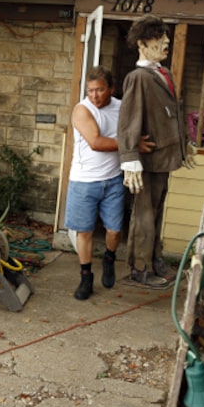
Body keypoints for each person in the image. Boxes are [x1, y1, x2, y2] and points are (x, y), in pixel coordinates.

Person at [118, 15, 195, 289]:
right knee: (143, 216)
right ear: (142, 43)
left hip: (163, 157)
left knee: (157, 212)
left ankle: (154, 258)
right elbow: (128, 120)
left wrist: (184, 143)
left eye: (165, 36)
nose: (166, 41)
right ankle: (140, 267)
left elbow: (172, 113)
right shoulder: (138, 78)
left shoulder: (164, 73)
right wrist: (129, 159)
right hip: (145, 162)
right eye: (158, 37)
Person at [64, 66, 126, 300]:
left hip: (113, 179)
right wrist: (132, 144)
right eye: (90, 90)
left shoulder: (121, 107)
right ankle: (86, 278)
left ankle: (109, 258)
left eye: (99, 90)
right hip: (84, 181)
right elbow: (97, 142)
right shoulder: (82, 110)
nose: (94, 95)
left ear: (111, 88)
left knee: (115, 230)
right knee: (85, 232)